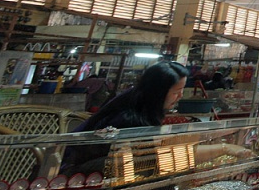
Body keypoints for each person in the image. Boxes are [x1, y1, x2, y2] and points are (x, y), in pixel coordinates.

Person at [66, 61, 249, 173]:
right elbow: (157, 159)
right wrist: (223, 148)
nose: (179, 97)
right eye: (176, 91)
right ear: (159, 92)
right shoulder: (129, 118)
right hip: (87, 178)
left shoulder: (138, 104)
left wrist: (222, 133)